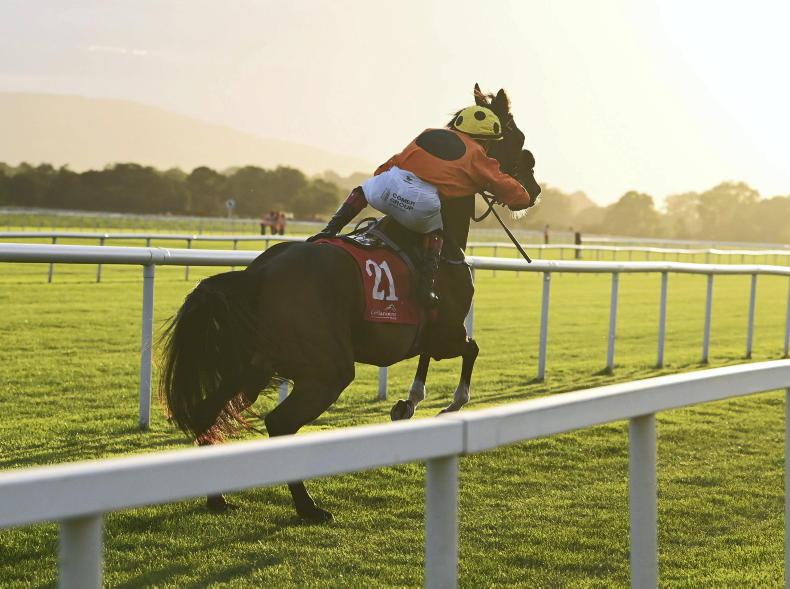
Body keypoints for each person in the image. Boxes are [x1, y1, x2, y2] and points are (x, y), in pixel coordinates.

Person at [309, 105, 532, 307]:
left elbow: (388, 165)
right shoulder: (478, 153)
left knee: (363, 190)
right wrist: (520, 196)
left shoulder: (427, 133)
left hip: (387, 184)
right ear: (487, 141)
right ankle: (425, 288)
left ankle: (328, 232)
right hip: (420, 202)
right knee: (437, 232)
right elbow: (512, 191)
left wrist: (383, 184)